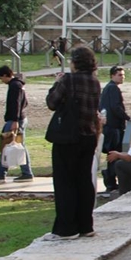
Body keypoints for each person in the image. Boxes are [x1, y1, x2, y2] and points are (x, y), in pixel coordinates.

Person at [45, 44, 102, 240]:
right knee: (83, 181)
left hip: (68, 137)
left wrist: (56, 83)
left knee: (64, 182)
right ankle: (86, 225)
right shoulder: (95, 83)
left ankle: (66, 228)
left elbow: (52, 103)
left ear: (75, 63)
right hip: (88, 136)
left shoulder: (68, 80)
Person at [0, 65, 34, 181]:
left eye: (1, 78)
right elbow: (24, 103)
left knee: (6, 144)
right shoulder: (19, 85)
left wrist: (15, 120)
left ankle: (2, 173)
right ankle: (25, 172)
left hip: (15, 119)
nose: (1, 80)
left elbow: (16, 104)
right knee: (18, 145)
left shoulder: (14, 86)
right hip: (21, 118)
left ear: (6, 75)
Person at [98, 65, 129, 196]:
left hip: (110, 126)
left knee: (112, 154)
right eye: (119, 75)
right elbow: (115, 107)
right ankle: (110, 180)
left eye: (123, 75)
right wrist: (127, 117)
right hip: (113, 127)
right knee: (114, 154)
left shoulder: (108, 88)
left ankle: (110, 180)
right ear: (112, 75)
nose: (122, 77)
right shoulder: (113, 89)